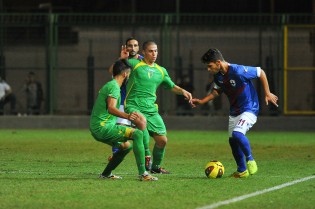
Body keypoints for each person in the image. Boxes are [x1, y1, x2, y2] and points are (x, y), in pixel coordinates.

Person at [191, 48, 278, 178]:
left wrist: (267, 92)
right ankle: (242, 170)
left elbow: (261, 72)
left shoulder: (238, 70)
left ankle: (250, 160)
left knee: (237, 134)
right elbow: (216, 91)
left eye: (210, 66)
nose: (208, 69)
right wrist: (202, 101)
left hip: (249, 108)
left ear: (218, 62)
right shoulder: (218, 76)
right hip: (234, 111)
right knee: (232, 141)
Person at [122, 40, 193, 174]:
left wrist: (183, 91)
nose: (154, 53)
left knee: (162, 140)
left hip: (151, 110)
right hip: (133, 105)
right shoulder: (134, 64)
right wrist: (122, 58)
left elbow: (171, 86)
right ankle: (146, 158)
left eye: (155, 51)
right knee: (141, 125)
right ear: (144, 52)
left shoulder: (161, 71)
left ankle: (155, 167)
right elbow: (115, 68)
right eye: (150, 51)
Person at [90, 59, 158, 181]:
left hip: (99, 127)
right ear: (125, 74)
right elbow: (111, 108)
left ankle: (106, 174)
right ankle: (143, 174)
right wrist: (127, 116)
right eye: (129, 74)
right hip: (103, 127)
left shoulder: (111, 85)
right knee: (137, 133)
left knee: (126, 146)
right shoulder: (114, 87)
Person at [107, 38, 149, 166]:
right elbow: (111, 71)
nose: (132, 48)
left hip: (138, 101)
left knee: (143, 128)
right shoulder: (123, 60)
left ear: (138, 48)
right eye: (130, 45)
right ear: (126, 47)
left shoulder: (143, 60)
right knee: (120, 129)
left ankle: (146, 157)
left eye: (135, 45)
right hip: (122, 100)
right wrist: (121, 59)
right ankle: (116, 154)